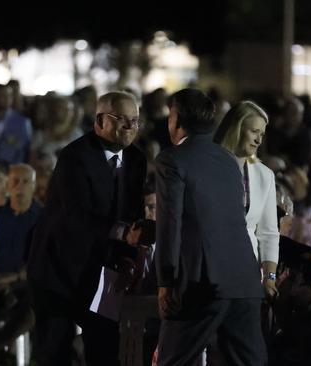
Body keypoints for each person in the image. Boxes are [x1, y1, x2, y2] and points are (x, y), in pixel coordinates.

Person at [27, 91, 147, 365]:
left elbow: (134, 211)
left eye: (135, 120)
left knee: (104, 350)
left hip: (104, 273)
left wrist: (129, 256)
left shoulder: (136, 160)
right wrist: (123, 233)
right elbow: (76, 216)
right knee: (54, 353)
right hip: (58, 270)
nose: (130, 127)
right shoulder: (75, 157)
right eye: (121, 119)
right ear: (100, 120)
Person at [155, 88, 265, 365]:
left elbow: (171, 223)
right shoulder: (228, 161)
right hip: (244, 279)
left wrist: (166, 280)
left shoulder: (172, 159)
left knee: (173, 360)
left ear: (177, 119)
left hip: (201, 283)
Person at [214, 100, 280, 302]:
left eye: (262, 134)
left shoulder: (264, 175)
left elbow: (268, 233)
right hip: (211, 269)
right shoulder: (209, 167)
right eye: (254, 132)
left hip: (248, 273)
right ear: (236, 129)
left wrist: (269, 278)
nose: (259, 140)